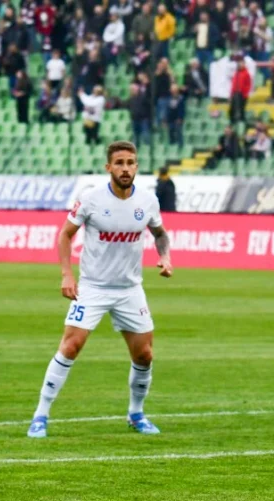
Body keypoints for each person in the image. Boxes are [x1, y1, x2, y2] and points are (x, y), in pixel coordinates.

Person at [26, 141, 173, 439]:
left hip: (130, 289)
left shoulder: (148, 200)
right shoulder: (91, 199)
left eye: (130, 163)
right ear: (109, 167)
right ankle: (40, 416)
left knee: (144, 355)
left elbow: (160, 233)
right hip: (93, 287)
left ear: (136, 166)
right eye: (119, 163)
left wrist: (165, 256)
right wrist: (67, 274)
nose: (125, 169)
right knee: (70, 346)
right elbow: (65, 235)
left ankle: (136, 414)